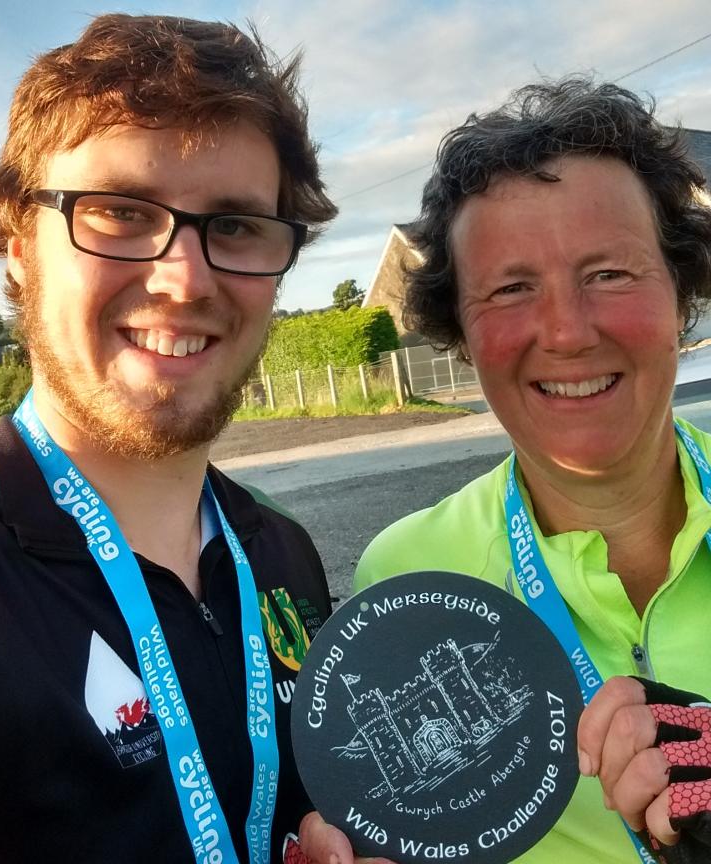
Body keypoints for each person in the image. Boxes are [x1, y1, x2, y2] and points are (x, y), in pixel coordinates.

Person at [0, 14, 338, 862]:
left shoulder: (284, 556)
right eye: (119, 210)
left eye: (238, 224)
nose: (183, 278)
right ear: (18, 246)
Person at [299, 78, 711, 863]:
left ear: (680, 290)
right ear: (461, 334)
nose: (565, 332)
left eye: (610, 274)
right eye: (512, 289)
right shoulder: (405, 583)